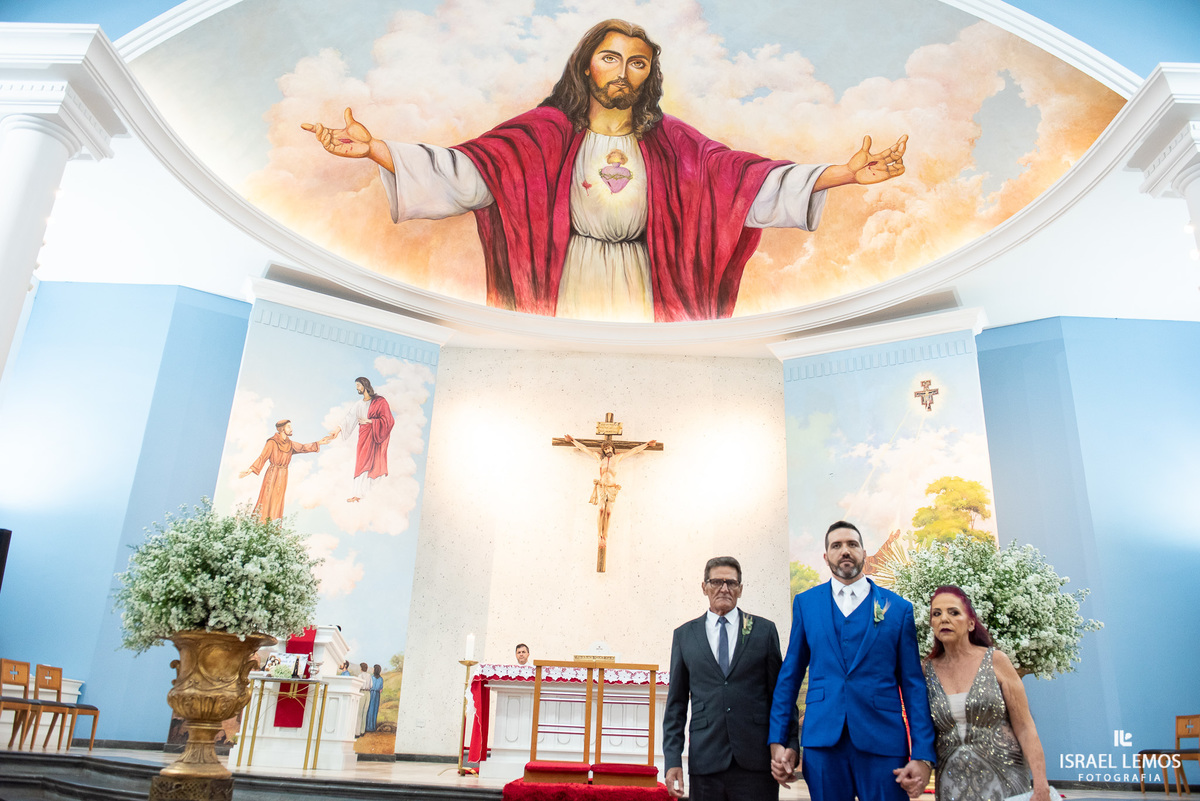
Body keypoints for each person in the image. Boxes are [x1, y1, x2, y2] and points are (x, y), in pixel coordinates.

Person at [301, 19, 907, 323]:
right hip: (566, 280)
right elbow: (466, 173)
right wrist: (376, 148)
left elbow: (748, 182)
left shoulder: (674, 145)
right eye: (611, 57)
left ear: (649, 75)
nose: (624, 70)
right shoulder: (542, 135)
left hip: (648, 281)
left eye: (638, 62)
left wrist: (844, 175)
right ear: (587, 66)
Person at [769, 521, 937, 801]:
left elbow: (913, 685)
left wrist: (922, 754)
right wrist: (780, 740)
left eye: (852, 544)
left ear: (864, 552)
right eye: (836, 546)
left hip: (883, 741)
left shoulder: (898, 609)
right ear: (826, 557)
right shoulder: (806, 604)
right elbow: (790, 677)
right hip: (823, 741)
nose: (844, 551)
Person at [663, 556, 797, 800]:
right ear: (704, 587)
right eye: (716, 582)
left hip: (755, 761)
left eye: (732, 583)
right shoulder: (684, 635)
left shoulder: (764, 631)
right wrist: (673, 760)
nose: (724, 588)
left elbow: (781, 696)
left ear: (741, 589)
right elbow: (676, 705)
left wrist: (790, 745)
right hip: (706, 761)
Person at [922, 586, 1051, 801]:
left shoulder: (996, 661)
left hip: (1006, 780)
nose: (944, 619)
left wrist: (1040, 784)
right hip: (952, 785)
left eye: (953, 612)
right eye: (937, 613)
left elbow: (1025, 726)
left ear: (971, 623)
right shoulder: (926, 671)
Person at [563, 434, 656, 570]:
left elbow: (633, 451)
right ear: (603, 450)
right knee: (600, 510)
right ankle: (599, 536)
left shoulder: (618, 457)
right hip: (602, 487)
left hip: (612, 489)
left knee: (608, 512)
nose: (607, 450)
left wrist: (647, 444)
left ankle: (605, 536)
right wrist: (572, 441)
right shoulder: (598, 457)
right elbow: (584, 449)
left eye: (609, 448)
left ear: (612, 448)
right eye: (605, 449)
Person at [239, 420, 337, 522]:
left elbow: (303, 448)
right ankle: (260, 523)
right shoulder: (272, 442)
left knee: (278, 501)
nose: (291, 429)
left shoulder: (290, 444)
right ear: (282, 429)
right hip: (272, 474)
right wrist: (251, 469)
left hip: (283, 474)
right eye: (289, 427)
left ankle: (273, 527)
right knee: (267, 498)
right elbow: (263, 457)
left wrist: (318, 443)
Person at [338, 377, 394, 503]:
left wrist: (370, 421)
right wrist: (337, 430)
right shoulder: (358, 404)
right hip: (363, 438)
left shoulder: (380, 401)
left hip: (375, 438)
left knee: (374, 464)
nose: (357, 388)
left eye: (358, 385)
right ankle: (357, 494)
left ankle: (370, 495)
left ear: (364, 385)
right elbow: (349, 418)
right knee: (361, 463)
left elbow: (389, 420)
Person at [365, 663, 384, 733]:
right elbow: (381, 689)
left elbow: (370, 686)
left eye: (373, 668)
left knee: (370, 709)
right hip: (377, 695)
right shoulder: (381, 679)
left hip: (372, 694)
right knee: (374, 710)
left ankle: (368, 727)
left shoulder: (371, 677)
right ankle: (372, 727)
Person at [355, 661, 371, 736]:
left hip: (362, 692)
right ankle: (362, 731)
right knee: (364, 712)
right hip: (368, 693)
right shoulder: (369, 676)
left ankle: (357, 732)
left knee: (359, 713)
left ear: (361, 668)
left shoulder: (360, 676)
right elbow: (371, 685)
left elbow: (359, 685)